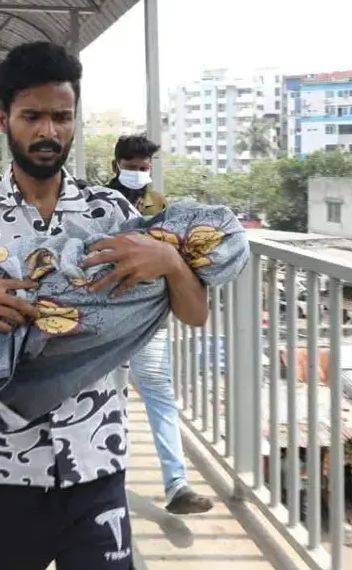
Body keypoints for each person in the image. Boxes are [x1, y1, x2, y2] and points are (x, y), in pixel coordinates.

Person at [0, 41, 209, 570]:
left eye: (61, 116)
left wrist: (171, 261)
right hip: (1, 464)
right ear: (3, 119)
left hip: (98, 457)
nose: (48, 131)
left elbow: (194, 314)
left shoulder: (114, 212)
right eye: (32, 116)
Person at [103, 134, 214, 514]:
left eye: (144, 167)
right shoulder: (94, 203)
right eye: (131, 166)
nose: (138, 172)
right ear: (116, 165)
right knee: (106, 396)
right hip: (106, 316)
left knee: (159, 393)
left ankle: (177, 485)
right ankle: (105, 480)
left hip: (149, 316)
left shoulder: (160, 206)